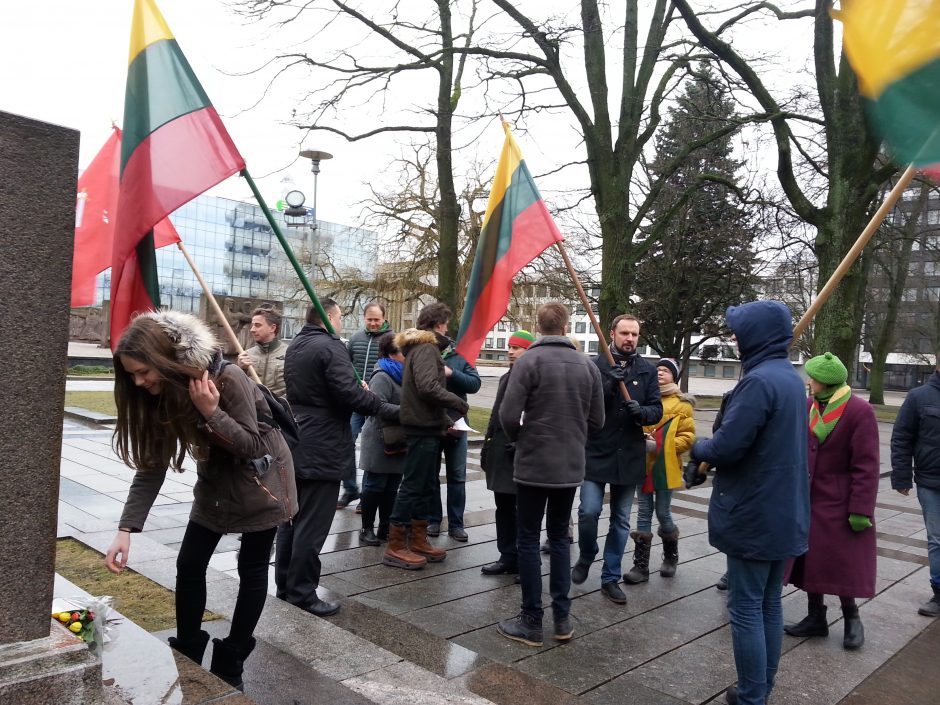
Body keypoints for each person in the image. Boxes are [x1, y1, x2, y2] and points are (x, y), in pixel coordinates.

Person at [104, 311, 297, 691]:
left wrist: (211, 412)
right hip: (215, 487)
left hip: (263, 485)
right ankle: (188, 650)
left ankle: (232, 659)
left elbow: (252, 444)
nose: (140, 382)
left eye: (144, 372)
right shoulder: (164, 392)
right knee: (189, 563)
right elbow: (152, 464)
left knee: (252, 570)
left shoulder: (228, 378)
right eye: (133, 376)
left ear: (164, 360)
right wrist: (125, 529)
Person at [690, 300, 809, 705]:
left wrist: (696, 445)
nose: (735, 340)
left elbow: (727, 446)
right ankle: (763, 686)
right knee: (769, 602)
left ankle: (752, 694)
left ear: (756, 335)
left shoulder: (759, 382)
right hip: (782, 511)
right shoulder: (791, 378)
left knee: (745, 607)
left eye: (739, 333)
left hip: (754, 512)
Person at [496, 302, 605, 646]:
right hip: (569, 464)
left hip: (533, 463)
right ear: (565, 325)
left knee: (528, 537)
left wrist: (520, 439)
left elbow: (507, 415)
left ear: (538, 327)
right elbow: (598, 421)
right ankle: (562, 618)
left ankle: (531, 619)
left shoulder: (528, 361)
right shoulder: (587, 365)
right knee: (559, 537)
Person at [278, 299, 394, 616]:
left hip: (297, 438)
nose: (342, 323)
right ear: (329, 317)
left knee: (291, 521)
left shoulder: (297, 344)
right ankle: (303, 593)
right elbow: (349, 394)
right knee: (311, 526)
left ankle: (285, 585)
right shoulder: (330, 346)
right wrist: (376, 401)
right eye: (340, 317)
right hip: (323, 444)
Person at [784, 352, 879, 650]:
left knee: (841, 563)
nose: (808, 381)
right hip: (808, 497)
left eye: (812, 377)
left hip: (840, 501)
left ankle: (852, 617)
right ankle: (816, 618)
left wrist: (861, 509)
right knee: (811, 560)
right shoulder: (808, 406)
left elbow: (867, 465)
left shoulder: (859, 412)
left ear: (823, 383)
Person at [572, 314, 662, 605]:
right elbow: (584, 406)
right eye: (624, 333)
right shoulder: (594, 366)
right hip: (596, 452)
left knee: (621, 521)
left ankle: (610, 577)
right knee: (588, 511)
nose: (630, 339)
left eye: (634, 334)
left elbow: (657, 409)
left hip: (629, 455)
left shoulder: (647, 370)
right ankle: (587, 554)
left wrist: (643, 413)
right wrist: (610, 385)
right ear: (612, 333)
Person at [383, 303, 470, 570]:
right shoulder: (426, 349)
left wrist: (444, 421)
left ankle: (419, 539)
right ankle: (396, 545)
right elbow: (427, 387)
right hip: (421, 430)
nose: (448, 328)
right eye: (445, 323)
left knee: (425, 486)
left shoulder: (423, 349)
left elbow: (420, 396)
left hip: (428, 428)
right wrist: (458, 403)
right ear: (437, 325)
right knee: (412, 486)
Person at [624, 358, 695, 584]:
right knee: (644, 511)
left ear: (674, 376)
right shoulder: (645, 399)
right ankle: (641, 565)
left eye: (665, 370)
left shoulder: (682, 405)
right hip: (642, 465)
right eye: (658, 370)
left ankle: (671, 555)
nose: (660, 373)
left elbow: (688, 437)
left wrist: (664, 446)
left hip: (665, 467)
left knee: (663, 512)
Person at [480, 329, 535, 576]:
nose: (511, 352)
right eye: (510, 348)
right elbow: (495, 415)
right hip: (501, 451)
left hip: (522, 452)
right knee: (503, 506)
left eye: (516, 348)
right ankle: (507, 556)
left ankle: (525, 560)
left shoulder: (535, 378)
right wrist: (487, 445)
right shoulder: (506, 377)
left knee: (522, 510)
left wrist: (523, 441)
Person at [891, 355, 940, 618]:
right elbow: (901, 437)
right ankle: (939, 592)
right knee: (937, 539)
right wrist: (901, 476)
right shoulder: (919, 397)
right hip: (931, 481)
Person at [429, 308, 482, 540]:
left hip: (457, 423)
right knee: (431, 475)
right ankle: (433, 520)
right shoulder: (423, 351)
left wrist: (451, 373)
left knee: (457, 476)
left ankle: (456, 524)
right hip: (431, 422)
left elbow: (474, 383)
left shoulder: (461, 353)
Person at [341, 302, 393, 509]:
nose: (372, 323)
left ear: (384, 318)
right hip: (356, 401)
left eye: (376, 320)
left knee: (374, 448)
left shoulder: (392, 340)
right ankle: (351, 489)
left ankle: (369, 496)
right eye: (369, 319)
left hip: (378, 402)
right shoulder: (355, 339)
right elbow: (346, 366)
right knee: (346, 442)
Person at [358, 332, 405, 546]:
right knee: (374, 486)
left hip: (398, 439)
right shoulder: (383, 375)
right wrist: (408, 411)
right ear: (392, 354)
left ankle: (385, 527)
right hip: (378, 439)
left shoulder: (405, 374)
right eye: (404, 351)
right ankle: (367, 528)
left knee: (391, 488)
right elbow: (378, 406)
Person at [236, 305, 288, 397]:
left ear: (272, 328)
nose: (252, 330)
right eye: (252, 325)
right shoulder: (246, 355)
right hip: (253, 407)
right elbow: (237, 387)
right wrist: (240, 369)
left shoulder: (289, 354)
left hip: (279, 408)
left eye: (257, 325)